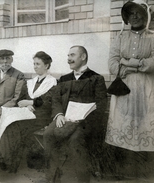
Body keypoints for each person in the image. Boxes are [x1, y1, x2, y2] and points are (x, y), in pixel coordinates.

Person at [105, 0, 154, 177]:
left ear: (145, 15)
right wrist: (125, 67)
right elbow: (112, 63)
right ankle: (123, 170)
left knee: (144, 122)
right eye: (131, 13)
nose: (135, 16)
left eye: (139, 12)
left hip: (146, 87)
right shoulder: (120, 38)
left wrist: (131, 64)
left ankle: (145, 172)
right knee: (123, 122)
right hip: (124, 87)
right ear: (127, 18)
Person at [43, 46, 107, 183]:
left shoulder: (96, 79)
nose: (68, 59)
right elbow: (56, 99)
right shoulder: (64, 78)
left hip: (85, 123)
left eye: (72, 55)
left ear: (83, 57)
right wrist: (59, 114)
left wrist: (82, 120)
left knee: (75, 139)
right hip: (64, 119)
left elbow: (101, 106)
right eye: (68, 56)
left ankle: (83, 180)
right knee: (48, 134)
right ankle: (52, 177)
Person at [0, 51, 57, 173]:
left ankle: (9, 162)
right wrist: (27, 105)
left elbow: (49, 102)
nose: (35, 66)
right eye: (34, 63)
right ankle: (5, 159)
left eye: (38, 64)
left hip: (42, 116)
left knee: (16, 126)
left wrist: (31, 103)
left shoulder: (52, 82)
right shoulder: (31, 82)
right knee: (8, 123)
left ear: (47, 65)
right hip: (28, 113)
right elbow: (20, 99)